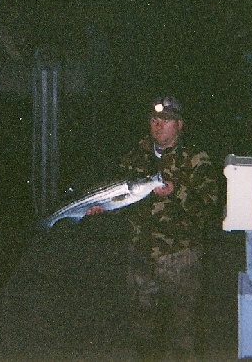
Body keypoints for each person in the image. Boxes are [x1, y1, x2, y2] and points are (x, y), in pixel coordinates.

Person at [88, 96, 222, 358]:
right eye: (154, 120)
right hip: (140, 256)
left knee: (183, 329)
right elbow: (120, 199)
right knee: (143, 328)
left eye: (166, 121)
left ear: (180, 125)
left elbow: (210, 210)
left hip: (180, 258)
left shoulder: (196, 160)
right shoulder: (134, 155)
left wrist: (176, 192)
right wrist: (101, 208)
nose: (158, 126)